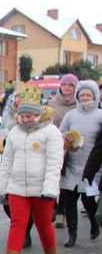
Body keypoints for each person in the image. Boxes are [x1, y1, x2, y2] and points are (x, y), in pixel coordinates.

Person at [0, 85, 63, 254]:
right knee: (17, 224)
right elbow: (7, 161)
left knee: (43, 223)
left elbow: (54, 163)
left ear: (38, 114)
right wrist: (3, 187)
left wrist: (50, 189)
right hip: (17, 187)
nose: (25, 120)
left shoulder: (51, 132)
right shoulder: (15, 132)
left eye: (29, 116)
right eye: (22, 116)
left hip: (41, 187)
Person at [57, 80, 102, 247]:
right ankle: (72, 234)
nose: (84, 98)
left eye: (88, 95)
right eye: (82, 95)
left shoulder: (100, 115)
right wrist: (66, 137)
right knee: (69, 200)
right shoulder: (70, 115)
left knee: (89, 201)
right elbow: (60, 133)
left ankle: (93, 222)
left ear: (95, 97)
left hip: (92, 166)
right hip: (71, 164)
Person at [47, 73, 79, 228]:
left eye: (70, 85)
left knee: (66, 182)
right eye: (64, 85)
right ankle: (53, 206)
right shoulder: (52, 104)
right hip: (54, 145)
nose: (67, 88)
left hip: (73, 148)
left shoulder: (79, 104)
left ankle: (61, 212)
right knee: (54, 178)